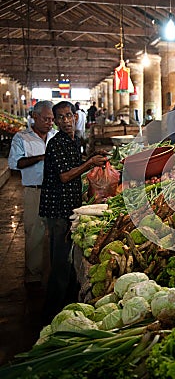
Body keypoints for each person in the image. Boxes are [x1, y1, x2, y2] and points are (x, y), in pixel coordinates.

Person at [39, 101, 108, 322]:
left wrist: (90, 157)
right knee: (60, 262)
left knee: (68, 259)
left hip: (69, 205)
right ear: (56, 122)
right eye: (61, 118)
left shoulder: (73, 140)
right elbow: (65, 176)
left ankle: (67, 302)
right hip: (58, 208)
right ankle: (51, 314)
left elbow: (73, 165)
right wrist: (89, 164)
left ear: (76, 117)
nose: (66, 121)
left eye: (69, 116)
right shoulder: (56, 143)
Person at [8, 100, 57, 285]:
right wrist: (40, 158)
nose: (49, 123)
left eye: (52, 119)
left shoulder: (55, 136)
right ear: (34, 117)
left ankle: (55, 272)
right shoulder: (22, 138)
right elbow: (15, 163)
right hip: (34, 191)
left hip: (54, 190)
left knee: (56, 231)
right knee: (34, 232)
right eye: (45, 118)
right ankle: (34, 273)